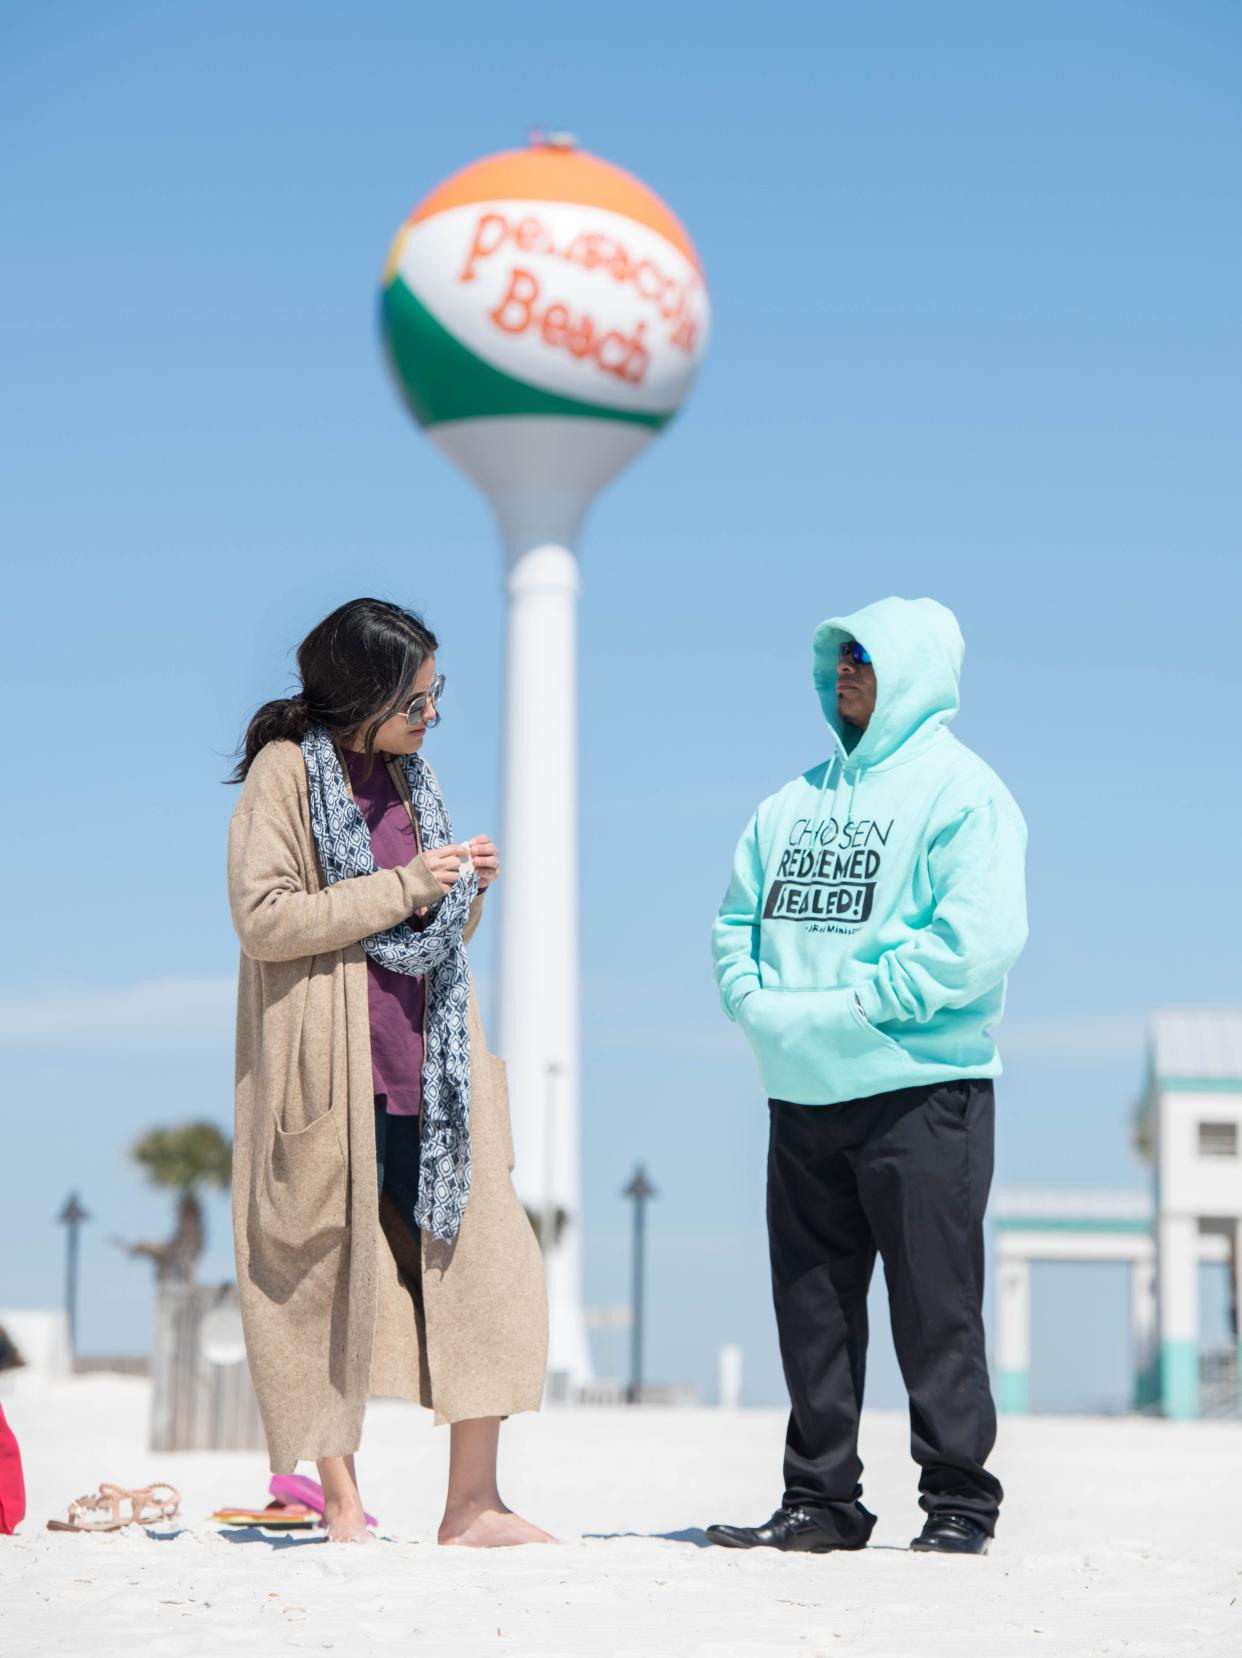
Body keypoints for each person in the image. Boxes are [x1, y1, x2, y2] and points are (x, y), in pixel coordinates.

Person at [707, 596, 1027, 1557]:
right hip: (801, 1089)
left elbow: (978, 946)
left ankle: (960, 1503)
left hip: (923, 1086)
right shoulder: (787, 803)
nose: (845, 668)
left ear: (913, 671)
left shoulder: (967, 796)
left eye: (867, 656)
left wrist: (856, 1006)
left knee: (936, 1308)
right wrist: (758, 1010)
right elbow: (734, 926)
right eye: (837, 654)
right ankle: (820, 1500)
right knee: (811, 1306)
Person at [227, 597, 549, 1545]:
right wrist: (414, 884)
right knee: (324, 1277)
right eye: (417, 698)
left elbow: (419, 940)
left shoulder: (416, 778)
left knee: (493, 1266)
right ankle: (337, 1505)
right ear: (364, 691)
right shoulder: (284, 776)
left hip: (433, 1073)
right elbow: (267, 917)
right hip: (327, 1076)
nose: (431, 714)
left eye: (436, 696)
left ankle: (473, 1506)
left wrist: (463, 895)